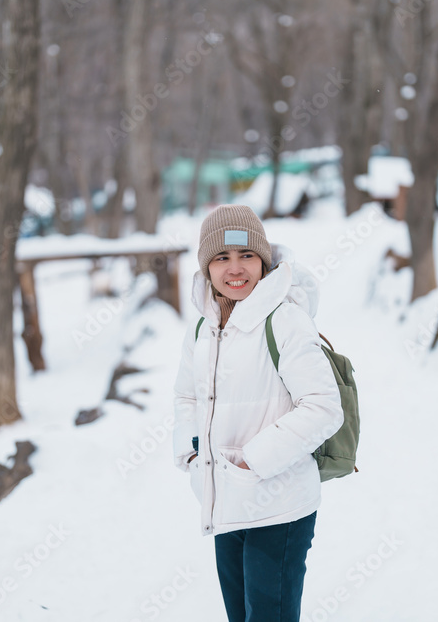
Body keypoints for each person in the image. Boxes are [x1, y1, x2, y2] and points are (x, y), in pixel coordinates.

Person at [173, 204, 343, 622]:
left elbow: (324, 407)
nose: (235, 269)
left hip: (278, 505)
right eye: (221, 258)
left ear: (263, 261)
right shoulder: (202, 328)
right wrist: (193, 454)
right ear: (206, 267)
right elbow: (186, 398)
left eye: (247, 255)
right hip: (224, 501)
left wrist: (254, 460)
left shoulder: (285, 320)